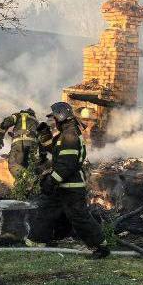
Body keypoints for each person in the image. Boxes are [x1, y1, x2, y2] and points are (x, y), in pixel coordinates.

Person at [34, 101, 109, 258]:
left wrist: (51, 181)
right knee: (46, 210)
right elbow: (54, 151)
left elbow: (66, 165)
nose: (53, 121)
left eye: (54, 118)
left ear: (61, 117)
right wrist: (45, 134)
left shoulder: (70, 135)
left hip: (71, 186)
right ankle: (37, 241)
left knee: (79, 217)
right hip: (63, 185)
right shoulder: (65, 134)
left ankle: (100, 246)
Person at [0, 107, 49, 180]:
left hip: (20, 144)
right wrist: (43, 157)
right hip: (32, 148)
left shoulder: (20, 115)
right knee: (26, 167)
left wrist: (0, 135)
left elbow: (6, 122)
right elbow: (42, 142)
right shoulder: (37, 122)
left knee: (14, 165)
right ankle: (28, 186)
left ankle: (30, 179)